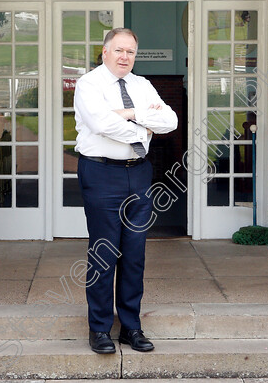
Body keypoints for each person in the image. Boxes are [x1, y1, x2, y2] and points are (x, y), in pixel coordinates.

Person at [73, 27, 178, 354]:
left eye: (130, 52)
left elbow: (171, 121)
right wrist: (144, 122)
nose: (124, 57)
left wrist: (130, 112)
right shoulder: (89, 84)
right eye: (118, 50)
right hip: (101, 172)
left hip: (139, 174)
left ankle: (130, 327)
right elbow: (102, 124)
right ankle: (100, 329)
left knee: (134, 255)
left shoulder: (142, 85)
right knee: (104, 254)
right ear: (104, 52)